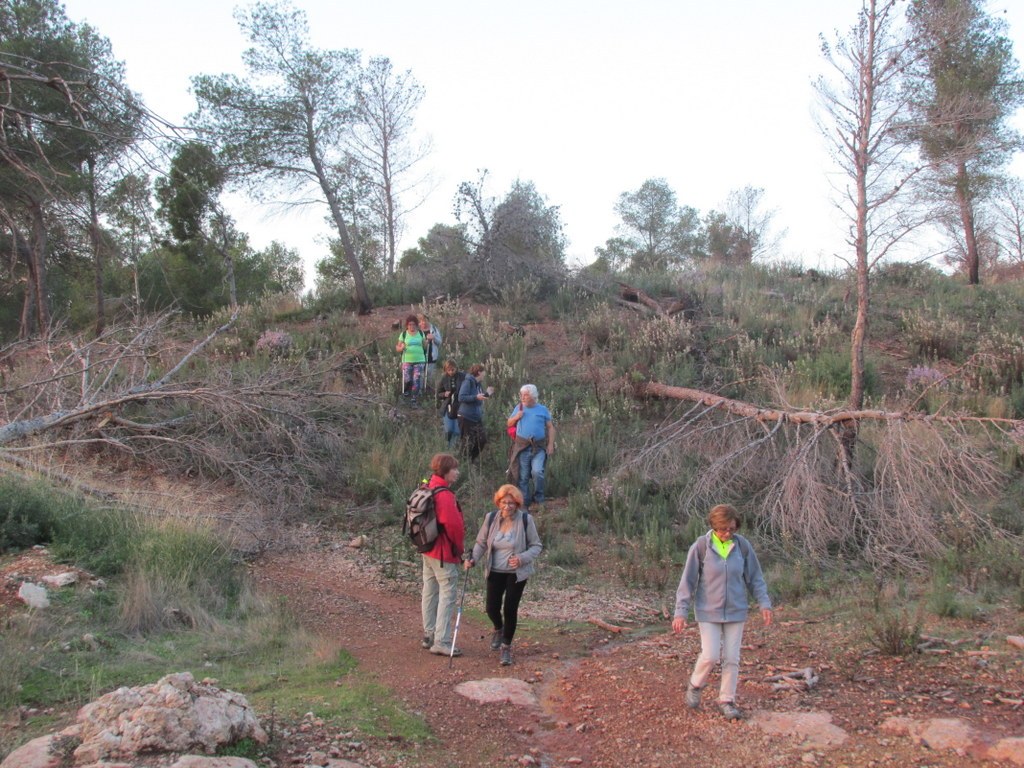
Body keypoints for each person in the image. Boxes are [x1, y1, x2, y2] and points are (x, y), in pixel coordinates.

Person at [672, 504, 772, 720]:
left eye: (731, 529)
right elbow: (687, 581)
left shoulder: (742, 546)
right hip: (708, 611)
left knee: (732, 658)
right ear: (714, 526)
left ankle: (726, 700)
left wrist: (764, 602)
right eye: (723, 529)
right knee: (710, 655)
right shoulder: (701, 546)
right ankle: (695, 684)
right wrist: (681, 611)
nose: (727, 534)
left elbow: (755, 578)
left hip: (736, 610)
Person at [465, 484, 542, 666]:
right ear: (498, 502)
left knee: (510, 609)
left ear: (517, 504)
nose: (507, 506)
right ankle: (498, 629)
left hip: (516, 573)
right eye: (504, 502)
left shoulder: (525, 520)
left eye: (511, 503)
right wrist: (473, 559)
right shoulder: (491, 518)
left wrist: (522, 558)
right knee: (491, 608)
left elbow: (536, 546)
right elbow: (481, 542)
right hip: (494, 570)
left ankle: (506, 647)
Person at [420, 453, 466, 657]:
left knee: (430, 590)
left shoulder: (427, 486)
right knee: (447, 594)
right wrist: (460, 550)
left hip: (427, 548)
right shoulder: (444, 495)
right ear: (446, 471)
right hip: (442, 553)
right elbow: (455, 527)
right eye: (454, 469)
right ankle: (442, 641)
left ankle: (429, 634)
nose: (457, 472)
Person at [506, 384, 555, 512]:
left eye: (526, 395)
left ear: (533, 396)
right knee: (523, 476)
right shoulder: (519, 408)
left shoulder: (542, 409)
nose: (522, 397)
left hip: (538, 447)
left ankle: (539, 497)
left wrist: (550, 444)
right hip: (522, 446)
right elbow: (509, 423)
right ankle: (525, 502)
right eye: (521, 395)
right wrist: (517, 417)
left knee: (537, 472)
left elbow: (550, 427)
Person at [457, 364, 492, 461]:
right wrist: (475, 397)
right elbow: (461, 397)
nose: (485, 374)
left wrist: (487, 394)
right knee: (467, 443)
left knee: (482, 440)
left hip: (476, 417)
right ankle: (463, 463)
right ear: (479, 372)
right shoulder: (468, 382)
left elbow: (479, 398)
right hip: (466, 417)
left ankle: (470, 460)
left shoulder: (478, 384)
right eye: (484, 372)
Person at [396, 315, 427, 405]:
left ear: (416, 325)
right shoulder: (404, 334)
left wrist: (427, 342)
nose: (411, 326)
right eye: (410, 324)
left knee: (416, 378)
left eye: (413, 324)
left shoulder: (421, 333)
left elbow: (425, 346)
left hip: (420, 359)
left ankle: (414, 398)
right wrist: (401, 348)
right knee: (407, 378)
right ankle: (407, 392)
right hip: (407, 360)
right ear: (407, 325)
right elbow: (397, 347)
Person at [436, 359, 466, 449]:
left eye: (452, 370)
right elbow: (438, 393)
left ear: (456, 368)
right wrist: (444, 394)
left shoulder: (463, 376)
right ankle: (446, 447)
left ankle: (452, 450)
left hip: (460, 407)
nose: (451, 372)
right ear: (445, 370)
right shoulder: (444, 378)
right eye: (448, 370)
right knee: (449, 429)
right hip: (448, 406)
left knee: (457, 431)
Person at [418, 313, 442, 385]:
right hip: (420, 357)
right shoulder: (417, 330)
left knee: (430, 376)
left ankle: (429, 391)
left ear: (428, 320)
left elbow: (439, 342)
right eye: (422, 321)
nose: (424, 322)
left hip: (431, 356)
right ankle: (421, 392)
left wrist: (433, 338)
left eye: (425, 320)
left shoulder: (434, 329)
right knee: (420, 375)